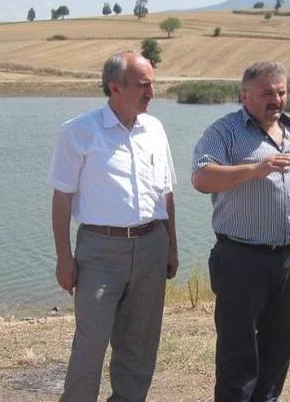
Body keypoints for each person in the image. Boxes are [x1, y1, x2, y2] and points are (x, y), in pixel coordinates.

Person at [48, 50, 179, 401]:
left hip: (152, 244)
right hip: (100, 252)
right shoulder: (79, 132)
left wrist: (171, 247)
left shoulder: (155, 129)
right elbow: (61, 198)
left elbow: (166, 193)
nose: (152, 92)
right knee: (91, 344)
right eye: (143, 85)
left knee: (139, 344)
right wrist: (64, 257)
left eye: (153, 83)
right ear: (115, 88)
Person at [192, 61, 290, 402]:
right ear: (244, 96)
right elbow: (202, 178)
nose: (275, 99)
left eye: (281, 92)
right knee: (238, 353)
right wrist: (253, 170)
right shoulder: (224, 131)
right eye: (267, 93)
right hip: (241, 259)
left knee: (280, 348)